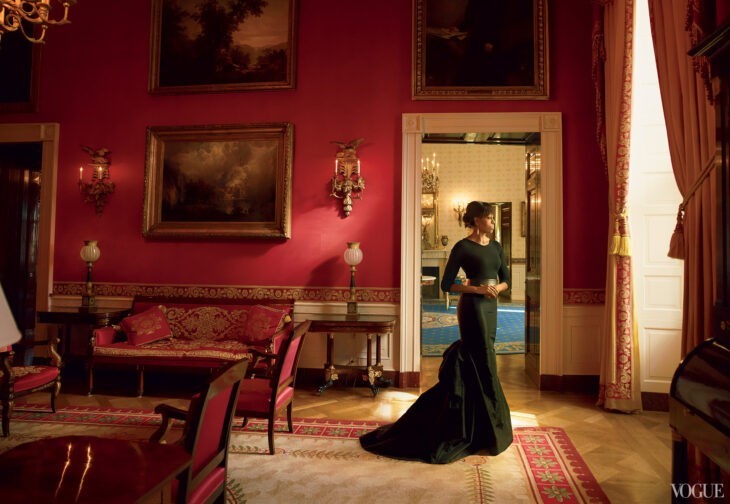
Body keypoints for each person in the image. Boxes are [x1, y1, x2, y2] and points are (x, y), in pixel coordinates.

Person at [359, 201, 513, 464]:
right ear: (476, 220)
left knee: (486, 358)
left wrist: (497, 288)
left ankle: (483, 427)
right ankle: (483, 430)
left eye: (492, 219)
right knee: (484, 359)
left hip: (491, 305)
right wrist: (475, 290)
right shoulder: (463, 247)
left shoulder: (497, 247)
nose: (492, 222)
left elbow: (506, 279)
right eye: (488, 218)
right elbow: (446, 284)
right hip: (473, 306)